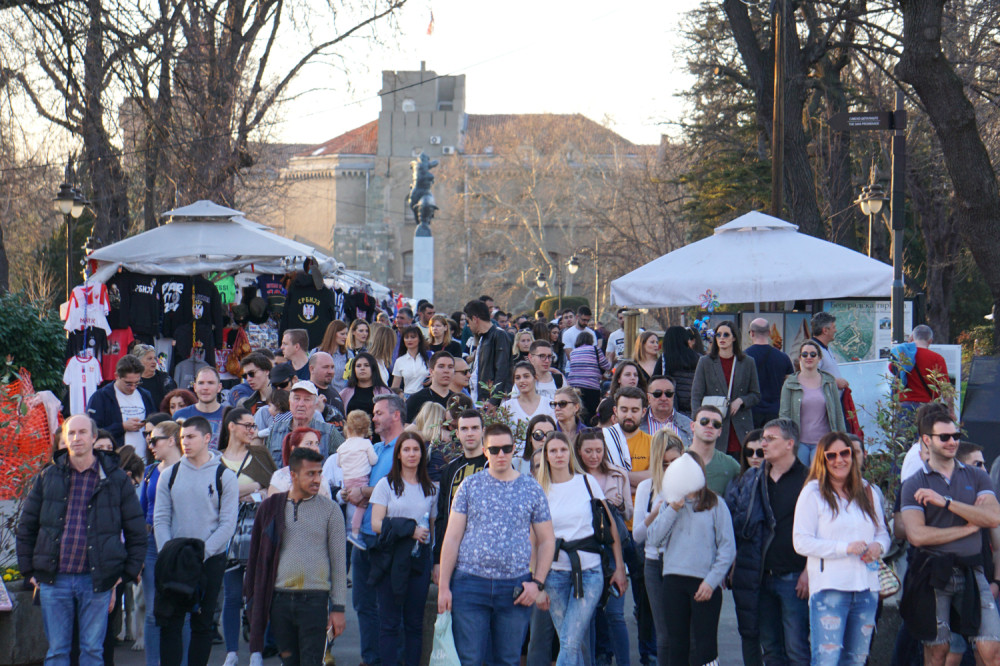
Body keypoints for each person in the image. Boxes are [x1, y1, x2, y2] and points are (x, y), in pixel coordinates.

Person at [16, 415, 146, 666]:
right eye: (71, 433)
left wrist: (126, 573)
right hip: (55, 579)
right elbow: (27, 526)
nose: (76, 438)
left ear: (94, 437)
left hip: (96, 579)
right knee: (56, 652)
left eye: (82, 432)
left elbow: (136, 532)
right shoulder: (48, 476)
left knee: (92, 651)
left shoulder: (116, 479)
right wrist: (29, 571)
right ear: (64, 439)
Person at [437, 423, 556, 666]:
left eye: (507, 448)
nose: (501, 454)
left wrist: (538, 583)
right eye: (494, 449)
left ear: (514, 449)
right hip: (470, 585)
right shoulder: (469, 486)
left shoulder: (531, 487)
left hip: (515, 587)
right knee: (469, 660)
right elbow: (451, 538)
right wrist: (443, 587)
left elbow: (546, 540)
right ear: (484, 450)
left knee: (507, 660)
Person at [899, 412, 1000, 666]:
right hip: (933, 572)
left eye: (955, 436)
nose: (952, 442)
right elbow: (917, 535)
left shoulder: (977, 476)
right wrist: (968, 528)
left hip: (972, 571)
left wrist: (946, 503)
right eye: (944, 437)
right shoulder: (914, 484)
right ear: (927, 440)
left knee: (991, 649)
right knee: (937, 653)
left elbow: (993, 517)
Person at [792, 432, 890, 666]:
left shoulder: (867, 490)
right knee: (827, 659)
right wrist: (845, 548)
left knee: (856, 660)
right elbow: (801, 541)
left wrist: (878, 546)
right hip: (830, 587)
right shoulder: (812, 493)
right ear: (822, 460)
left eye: (844, 453)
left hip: (867, 587)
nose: (839, 460)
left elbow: (883, 532)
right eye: (832, 455)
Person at [244, 447, 347, 666]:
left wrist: (338, 608)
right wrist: (253, 601)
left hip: (316, 600)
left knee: (312, 662)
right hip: (280, 600)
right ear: (293, 475)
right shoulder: (270, 507)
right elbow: (255, 558)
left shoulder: (331, 511)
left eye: (319, 473)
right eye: (311, 473)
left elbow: (339, 563)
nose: (317, 479)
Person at [534, 432, 626, 666]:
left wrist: (620, 568)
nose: (558, 455)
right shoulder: (539, 489)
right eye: (553, 451)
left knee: (571, 641)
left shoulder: (586, 482)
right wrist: (538, 583)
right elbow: (532, 540)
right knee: (569, 641)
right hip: (553, 574)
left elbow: (610, 526)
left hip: (590, 571)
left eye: (563, 450)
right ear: (546, 455)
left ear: (570, 453)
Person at [153, 416, 239, 666]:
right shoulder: (170, 474)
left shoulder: (225, 476)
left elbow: (227, 524)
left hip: (208, 561)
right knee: (170, 623)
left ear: (207, 438)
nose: (185, 443)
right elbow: (161, 518)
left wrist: (201, 555)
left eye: (190, 437)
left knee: (203, 624)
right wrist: (168, 554)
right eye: (182, 438)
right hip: (174, 561)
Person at [726, 418, 811, 666]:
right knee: (771, 650)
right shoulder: (752, 478)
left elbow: (819, 530)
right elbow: (740, 526)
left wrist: (808, 571)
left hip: (795, 577)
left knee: (797, 649)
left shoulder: (809, 481)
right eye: (763, 438)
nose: (763, 443)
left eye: (770, 439)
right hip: (760, 577)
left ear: (789, 444)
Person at [648, 450, 736, 666]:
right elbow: (654, 539)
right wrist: (672, 509)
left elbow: (727, 547)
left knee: (706, 646)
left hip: (704, 581)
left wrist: (711, 581)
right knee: (677, 645)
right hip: (673, 581)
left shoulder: (716, 503)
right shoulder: (669, 503)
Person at [346, 394, 407, 666]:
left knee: (391, 607)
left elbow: (399, 486)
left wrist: (364, 491)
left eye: (379, 413)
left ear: (396, 415)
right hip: (364, 537)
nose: (373, 418)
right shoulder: (377, 449)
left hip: (388, 539)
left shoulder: (405, 448)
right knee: (363, 604)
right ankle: (371, 659)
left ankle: (391, 660)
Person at [370, 432, 439, 666]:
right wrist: (408, 530)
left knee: (414, 624)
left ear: (422, 453)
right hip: (390, 559)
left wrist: (434, 560)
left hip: (418, 561)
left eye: (416, 449)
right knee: (389, 623)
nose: (411, 454)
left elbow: (432, 529)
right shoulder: (385, 484)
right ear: (398, 454)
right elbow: (376, 523)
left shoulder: (429, 488)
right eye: (406, 449)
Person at [217, 407, 275, 666]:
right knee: (231, 595)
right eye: (248, 425)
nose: (253, 430)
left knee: (257, 593)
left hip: (258, 530)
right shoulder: (214, 459)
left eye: (254, 426)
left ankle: (256, 651)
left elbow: (275, 486)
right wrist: (253, 487)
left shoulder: (260, 454)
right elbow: (214, 494)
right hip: (227, 532)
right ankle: (231, 652)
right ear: (231, 426)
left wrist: (249, 492)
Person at [575, 429, 634, 666]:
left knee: (615, 613)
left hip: (612, 548)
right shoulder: (573, 477)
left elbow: (629, 513)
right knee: (588, 614)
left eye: (598, 450)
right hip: (585, 549)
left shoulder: (618, 474)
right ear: (579, 452)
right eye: (588, 451)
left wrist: (610, 508)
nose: (594, 456)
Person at [633, 430, 685, 666]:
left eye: (674, 461)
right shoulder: (647, 488)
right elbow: (637, 536)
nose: (670, 467)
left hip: (685, 562)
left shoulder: (691, 486)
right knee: (663, 633)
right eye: (664, 464)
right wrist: (654, 513)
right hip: (655, 563)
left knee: (688, 630)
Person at [139, 420, 185, 666]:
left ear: (171, 440)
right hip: (151, 544)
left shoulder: (189, 468)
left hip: (179, 545)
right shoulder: (149, 471)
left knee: (182, 610)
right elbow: (142, 511)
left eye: (154, 439)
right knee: (152, 611)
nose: (150, 444)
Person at [691, 320, 761, 457]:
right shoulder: (705, 362)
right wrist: (698, 422)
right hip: (714, 424)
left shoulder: (747, 362)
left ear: (734, 337)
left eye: (726, 335)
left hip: (739, 425)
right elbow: (696, 395)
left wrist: (741, 400)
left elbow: (756, 394)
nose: (721, 338)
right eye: (718, 335)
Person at [433, 409, 489, 582]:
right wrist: (438, 560)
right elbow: (442, 517)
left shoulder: (494, 466)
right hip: (456, 553)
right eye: (464, 429)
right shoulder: (450, 469)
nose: (470, 433)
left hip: (488, 554)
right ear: (457, 433)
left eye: (474, 428)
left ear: (483, 431)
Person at [779, 340, 846, 465]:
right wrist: (786, 441)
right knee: (801, 480)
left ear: (819, 358)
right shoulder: (790, 383)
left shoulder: (829, 381)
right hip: (799, 442)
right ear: (800, 358)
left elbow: (838, 413)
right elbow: (784, 415)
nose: (808, 357)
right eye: (805, 354)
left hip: (823, 442)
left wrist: (842, 440)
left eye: (813, 354)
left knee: (819, 480)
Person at [87, 355, 157, 452]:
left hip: (144, 458)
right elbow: (92, 431)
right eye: (128, 383)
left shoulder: (145, 395)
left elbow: (155, 423)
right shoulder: (101, 397)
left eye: (137, 383)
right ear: (116, 376)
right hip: (116, 458)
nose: (133, 387)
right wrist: (122, 427)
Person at [265, 380, 343, 467]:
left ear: (315, 405)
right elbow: (266, 467)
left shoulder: (329, 432)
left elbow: (344, 463)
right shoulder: (275, 430)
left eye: (307, 399)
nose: (301, 404)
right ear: (289, 402)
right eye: (297, 398)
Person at [337, 410, 378, 546]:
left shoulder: (342, 446)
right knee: (362, 505)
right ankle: (355, 533)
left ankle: (350, 529)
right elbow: (373, 460)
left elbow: (338, 463)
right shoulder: (366, 444)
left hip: (347, 481)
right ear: (366, 429)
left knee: (352, 503)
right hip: (361, 480)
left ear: (347, 428)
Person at [744, 318, 794, 428]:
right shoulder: (783, 357)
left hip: (751, 411)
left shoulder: (743, 357)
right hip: (776, 411)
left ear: (751, 333)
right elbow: (790, 384)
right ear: (769, 333)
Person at [603, 386, 652, 492]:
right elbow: (600, 479)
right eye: (624, 410)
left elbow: (655, 478)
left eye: (634, 410)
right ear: (615, 411)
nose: (629, 415)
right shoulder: (602, 439)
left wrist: (617, 476)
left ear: (643, 412)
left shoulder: (652, 443)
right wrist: (639, 484)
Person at [464, 299, 513, 403]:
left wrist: (494, 400)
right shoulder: (483, 338)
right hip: (481, 399)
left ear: (474, 319)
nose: (467, 325)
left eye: (468, 321)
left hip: (491, 401)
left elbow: (502, 371)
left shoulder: (499, 335)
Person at [689, 405, 740, 495]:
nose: (710, 426)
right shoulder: (677, 457)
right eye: (704, 421)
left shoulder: (730, 464)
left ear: (720, 431)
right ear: (693, 426)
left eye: (716, 424)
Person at [172, 366, 227, 450]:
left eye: (210, 383)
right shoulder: (180, 416)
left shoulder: (229, 415)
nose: (205, 388)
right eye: (201, 383)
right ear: (195, 387)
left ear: (219, 387)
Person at [268, 427, 331, 498]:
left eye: (317, 444)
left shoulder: (322, 479)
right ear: (294, 449)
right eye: (309, 444)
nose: (315, 448)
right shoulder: (280, 476)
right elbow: (273, 506)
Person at [896, 324, 950, 407]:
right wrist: (951, 410)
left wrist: (908, 346)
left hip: (905, 404)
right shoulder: (937, 359)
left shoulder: (902, 356)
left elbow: (893, 371)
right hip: (929, 406)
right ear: (930, 341)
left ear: (911, 338)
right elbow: (945, 388)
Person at [655, 326, 700, 417]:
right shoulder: (697, 357)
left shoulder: (665, 359)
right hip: (694, 405)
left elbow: (655, 381)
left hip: (673, 406)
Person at [566, 331, 611, 416]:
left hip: (574, 387)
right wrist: (611, 359)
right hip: (591, 386)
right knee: (591, 413)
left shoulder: (573, 352)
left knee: (578, 413)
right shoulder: (595, 349)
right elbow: (606, 366)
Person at [641, 374, 693, 446]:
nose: (663, 398)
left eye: (668, 394)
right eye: (657, 394)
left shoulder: (688, 425)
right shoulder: (637, 423)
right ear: (648, 397)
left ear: (673, 396)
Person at [502, 361, 556, 430]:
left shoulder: (549, 404)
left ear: (535, 378)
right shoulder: (506, 407)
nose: (522, 381)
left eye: (526, 376)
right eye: (518, 378)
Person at [405, 351, 456, 422]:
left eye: (450, 367)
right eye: (441, 366)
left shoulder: (458, 400)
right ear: (431, 371)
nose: (446, 371)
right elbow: (406, 428)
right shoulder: (416, 399)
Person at [340, 351, 392, 418]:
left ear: (373, 369)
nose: (362, 368)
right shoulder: (345, 393)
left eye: (366, 365)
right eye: (358, 366)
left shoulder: (384, 393)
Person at [133, 343, 177, 414]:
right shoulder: (131, 381)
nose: (154, 362)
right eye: (149, 359)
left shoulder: (166, 380)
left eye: (155, 358)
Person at [810, 312, 848, 391]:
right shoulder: (813, 350)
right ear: (825, 330)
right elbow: (810, 377)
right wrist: (835, 382)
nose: (835, 330)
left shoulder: (825, 348)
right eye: (833, 327)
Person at [391, 325, 430, 398]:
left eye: (413, 337)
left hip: (426, 396)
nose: (409, 340)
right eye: (406, 337)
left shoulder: (429, 357)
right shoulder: (400, 361)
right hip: (407, 397)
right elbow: (395, 387)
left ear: (419, 339)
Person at [308, 351, 346, 422]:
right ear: (312, 369)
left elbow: (343, 423)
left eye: (332, 367)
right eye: (325, 367)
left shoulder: (335, 393)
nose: (330, 371)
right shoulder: (305, 392)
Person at [317, 319, 350, 391]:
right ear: (333, 333)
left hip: (340, 395)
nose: (345, 337)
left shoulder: (348, 355)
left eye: (346, 334)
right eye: (342, 334)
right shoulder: (316, 352)